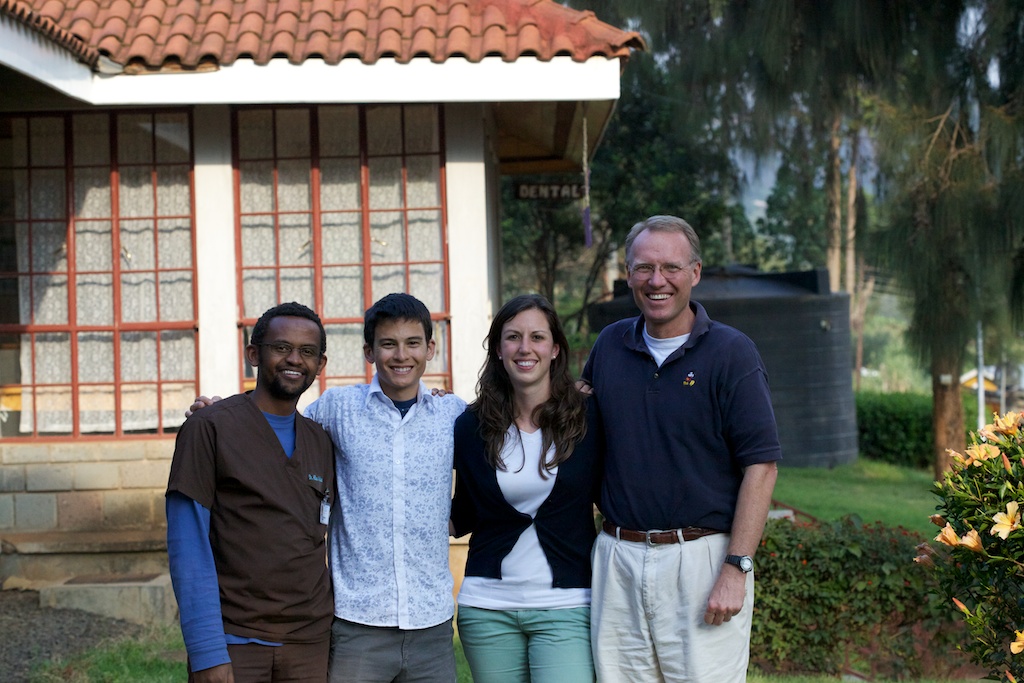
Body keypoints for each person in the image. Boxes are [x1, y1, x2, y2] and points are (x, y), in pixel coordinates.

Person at [188, 293, 466, 683]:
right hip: (357, 624)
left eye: (413, 343)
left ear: (431, 349)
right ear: (369, 351)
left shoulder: (452, 414)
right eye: (388, 344)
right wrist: (222, 414)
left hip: (431, 623)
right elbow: (277, 424)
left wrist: (452, 520)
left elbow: (492, 468)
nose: (401, 355)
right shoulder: (338, 408)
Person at [580, 215, 781, 682]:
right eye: (644, 268)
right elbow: (576, 430)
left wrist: (736, 567)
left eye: (671, 267)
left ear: (695, 272)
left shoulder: (732, 353)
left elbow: (762, 467)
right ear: (628, 274)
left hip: (701, 562)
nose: (657, 281)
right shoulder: (609, 346)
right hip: (617, 558)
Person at [167, 301, 335, 682]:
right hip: (235, 643)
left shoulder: (320, 441)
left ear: (320, 364)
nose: (294, 359)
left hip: (309, 645)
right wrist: (207, 652)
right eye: (281, 347)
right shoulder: (209, 429)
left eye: (307, 351)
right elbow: (187, 547)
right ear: (254, 354)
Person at [450, 294, 602, 683]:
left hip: (567, 603)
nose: (524, 348)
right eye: (513, 337)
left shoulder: (587, 420)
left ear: (555, 349)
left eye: (537, 337)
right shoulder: (471, 427)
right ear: (498, 349)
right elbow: (462, 513)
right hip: (486, 606)